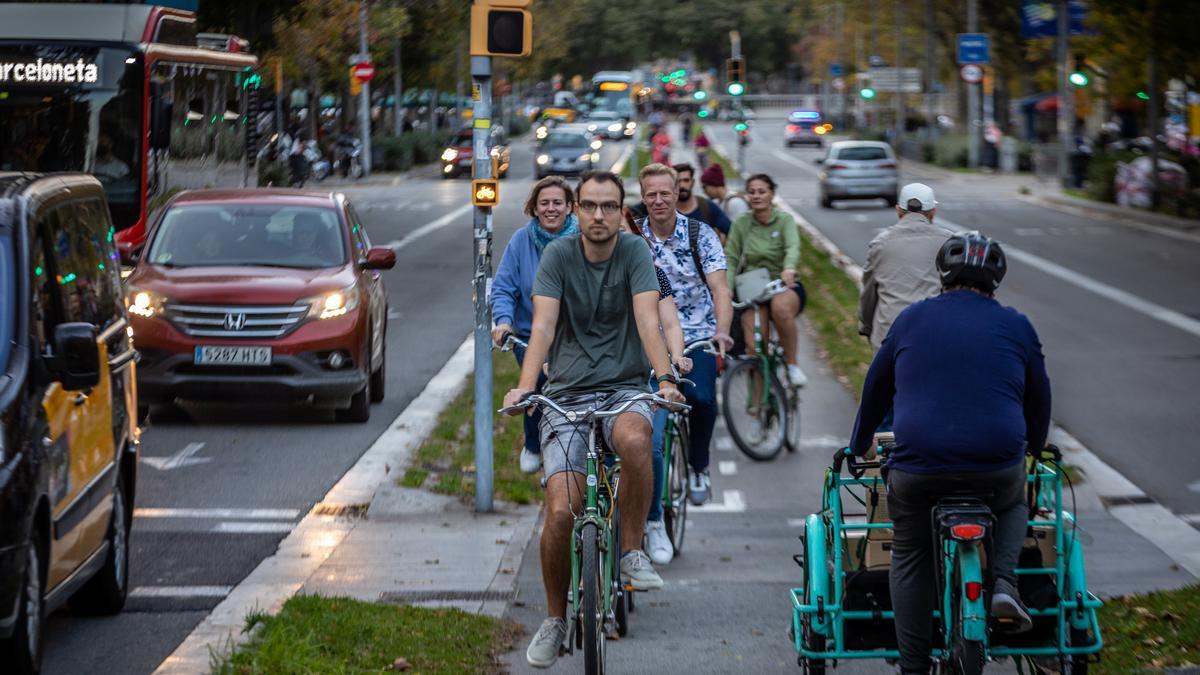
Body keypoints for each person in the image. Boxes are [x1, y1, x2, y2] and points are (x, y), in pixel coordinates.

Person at [505, 171, 686, 669]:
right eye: (589, 206)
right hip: (566, 394)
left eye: (610, 206)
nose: (600, 215)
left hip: (625, 387)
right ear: (576, 211)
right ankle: (554, 618)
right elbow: (541, 325)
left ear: (621, 210)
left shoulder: (635, 254)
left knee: (636, 438)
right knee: (561, 512)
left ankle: (631, 551)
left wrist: (665, 378)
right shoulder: (558, 257)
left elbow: (650, 321)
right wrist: (525, 388)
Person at [848, 232, 1049, 675]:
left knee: (911, 551)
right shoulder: (1018, 325)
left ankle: (915, 666)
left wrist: (857, 442)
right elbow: (1039, 399)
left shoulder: (911, 320)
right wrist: (1034, 447)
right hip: (996, 466)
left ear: (941, 274)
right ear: (996, 281)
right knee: (1016, 499)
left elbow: (876, 390)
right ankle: (1003, 582)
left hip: (921, 469)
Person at [637, 163, 735, 508]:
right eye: (652, 194)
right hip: (649, 338)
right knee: (647, 420)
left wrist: (721, 331)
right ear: (643, 197)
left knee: (704, 398)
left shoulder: (701, 235)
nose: (659, 200)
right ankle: (649, 507)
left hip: (696, 333)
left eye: (666, 193)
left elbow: (720, 289)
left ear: (677, 192)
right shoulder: (634, 237)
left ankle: (698, 465)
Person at [491, 177, 580, 474]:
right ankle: (532, 442)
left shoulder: (584, 240)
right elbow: (504, 287)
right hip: (531, 334)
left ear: (570, 207)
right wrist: (503, 323)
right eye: (544, 203)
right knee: (538, 384)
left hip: (575, 334)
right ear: (534, 208)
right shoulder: (521, 241)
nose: (551, 209)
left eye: (558, 203)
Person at [623, 208, 691, 565]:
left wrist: (676, 357)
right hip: (605, 378)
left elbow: (670, 324)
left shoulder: (653, 275)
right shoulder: (580, 273)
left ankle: (653, 521)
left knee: (651, 447)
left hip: (649, 376)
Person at [723, 173, 808, 387]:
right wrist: (727, 287)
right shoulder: (742, 223)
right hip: (753, 288)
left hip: (782, 284)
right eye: (751, 192)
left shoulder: (784, 220)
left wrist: (789, 268)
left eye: (762, 191)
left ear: (772, 194)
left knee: (780, 309)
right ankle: (758, 406)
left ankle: (792, 364)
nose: (756, 196)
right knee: (754, 348)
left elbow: (792, 247)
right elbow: (731, 257)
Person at [858, 183, 954, 351]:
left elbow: (868, 293)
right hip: (934, 334)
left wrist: (866, 327)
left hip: (888, 335)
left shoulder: (880, 244)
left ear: (898, 210)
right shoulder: (949, 243)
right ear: (933, 211)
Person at [673, 162, 732, 238]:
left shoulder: (708, 207)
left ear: (693, 182)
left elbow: (732, 233)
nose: (682, 185)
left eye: (686, 180)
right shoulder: (666, 210)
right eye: (678, 181)